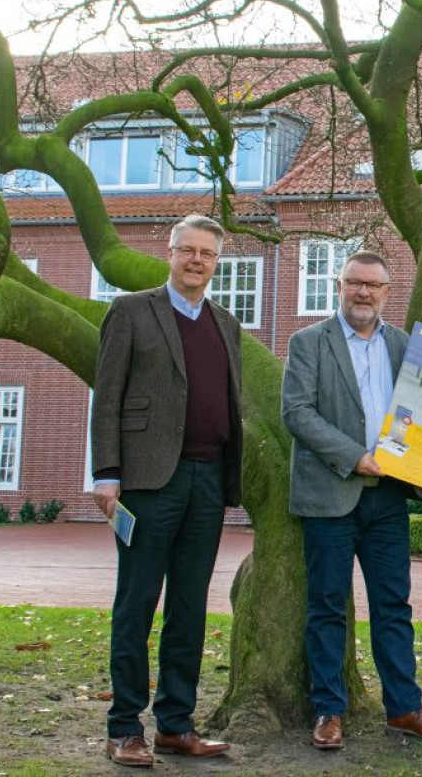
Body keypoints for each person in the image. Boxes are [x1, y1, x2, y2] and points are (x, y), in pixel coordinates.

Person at [282, 250, 422, 750]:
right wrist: (354, 457)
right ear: (339, 286)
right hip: (331, 494)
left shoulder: (404, 345)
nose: (363, 292)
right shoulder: (308, 342)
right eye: (354, 283)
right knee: (327, 608)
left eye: (373, 285)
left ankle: (403, 708)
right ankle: (328, 711)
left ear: (386, 292)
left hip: (388, 499)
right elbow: (297, 412)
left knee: (393, 606)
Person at [91, 214, 243, 767]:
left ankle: (176, 725)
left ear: (217, 262)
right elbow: (107, 394)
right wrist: (106, 472)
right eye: (188, 250)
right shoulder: (131, 311)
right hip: (150, 481)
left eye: (207, 253)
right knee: (136, 605)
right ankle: (124, 727)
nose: (196, 260)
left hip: (208, 481)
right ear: (171, 252)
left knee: (189, 608)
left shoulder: (226, 323)